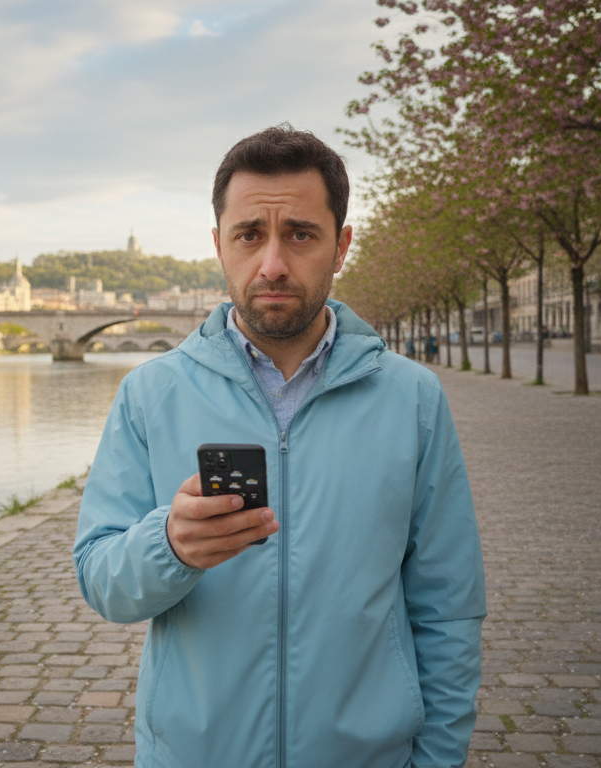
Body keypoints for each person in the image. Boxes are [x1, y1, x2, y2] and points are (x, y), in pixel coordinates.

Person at [73, 125, 486, 768]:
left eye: (299, 233)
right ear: (218, 245)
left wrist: (435, 761)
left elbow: (449, 609)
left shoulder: (413, 400)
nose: (272, 264)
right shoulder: (149, 394)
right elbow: (101, 580)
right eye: (248, 235)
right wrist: (170, 546)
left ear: (341, 245)